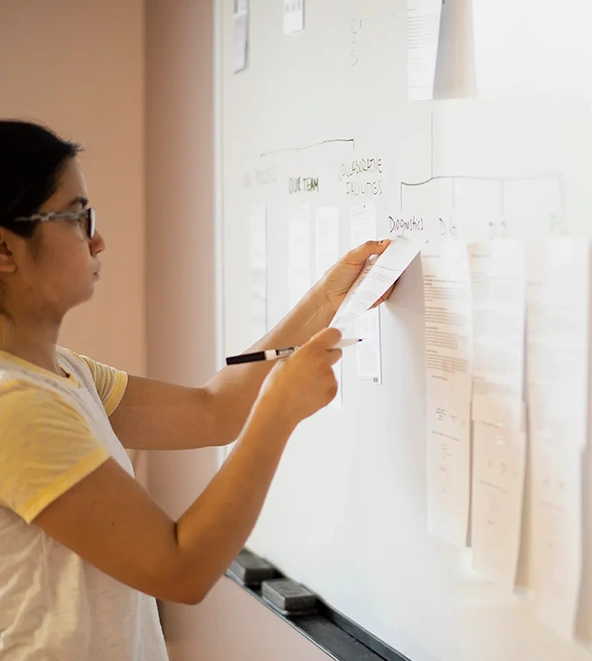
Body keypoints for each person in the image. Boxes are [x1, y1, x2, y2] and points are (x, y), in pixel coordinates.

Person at [0, 119, 392, 660]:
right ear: (5, 250)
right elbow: (180, 568)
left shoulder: (62, 372)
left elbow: (212, 411)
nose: (98, 239)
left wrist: (327, 300)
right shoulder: (13, 407)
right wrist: (278, 413)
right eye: (77, 217)